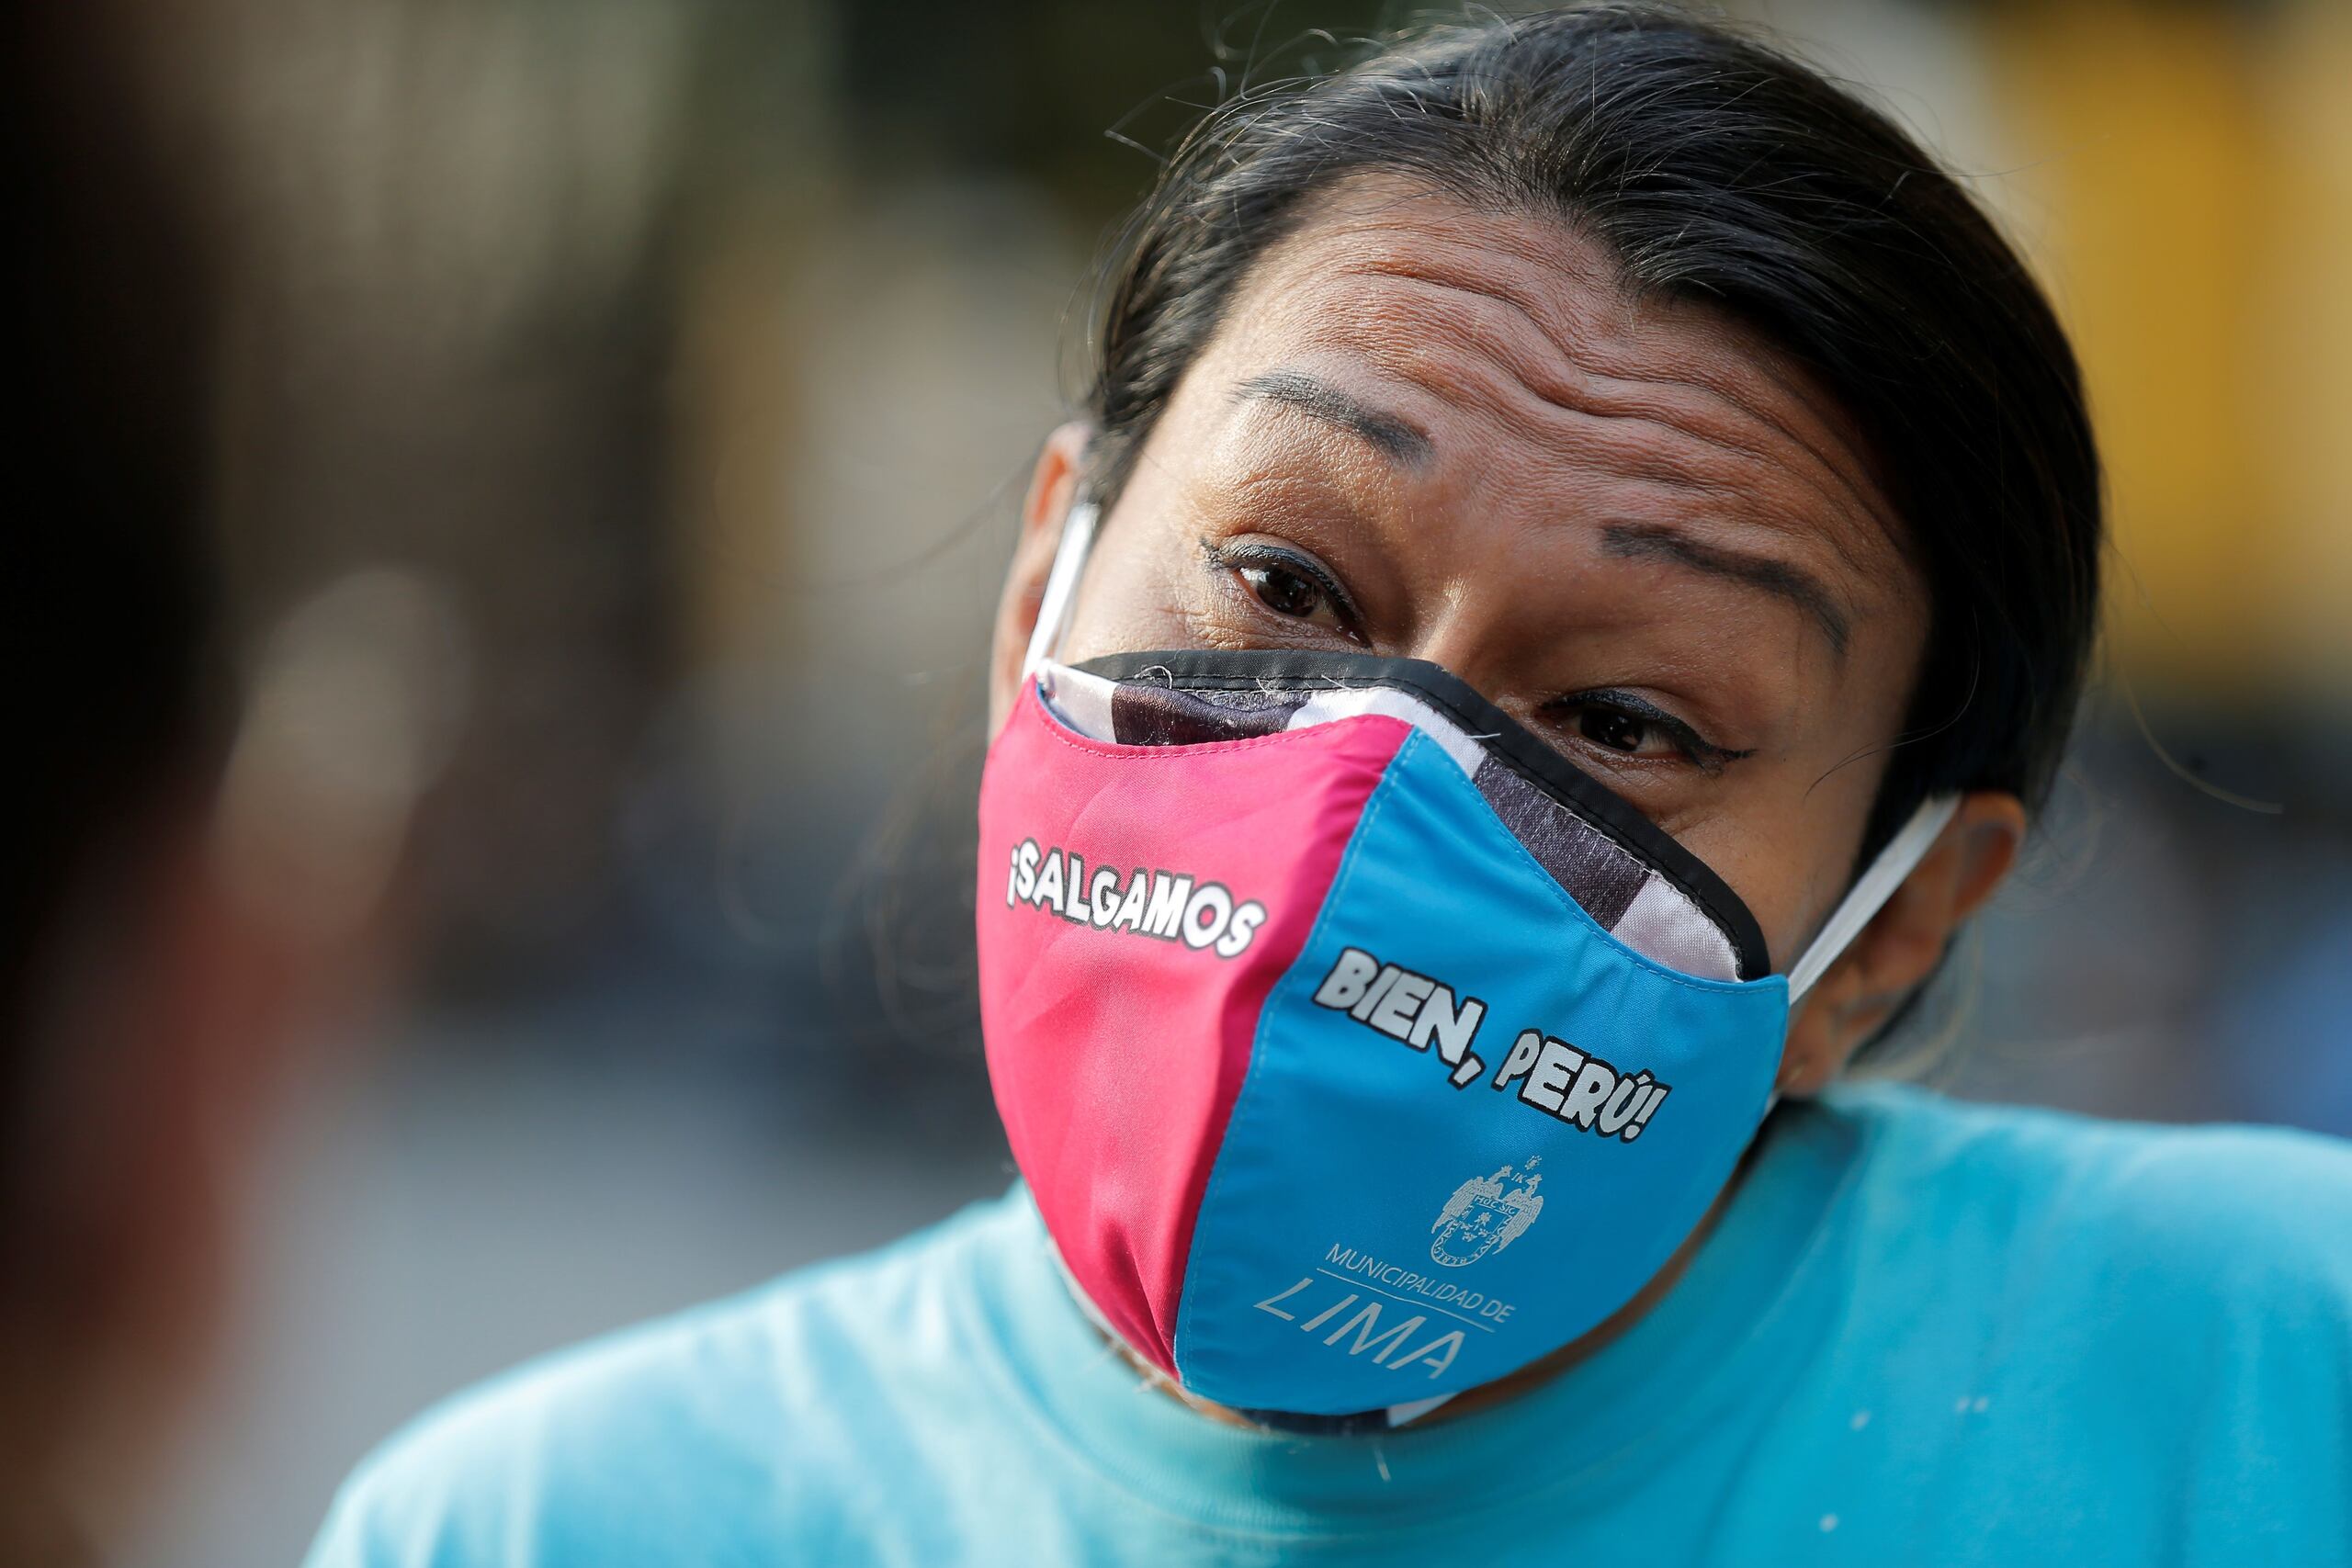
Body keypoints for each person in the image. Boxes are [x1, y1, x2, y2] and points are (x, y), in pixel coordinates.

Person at [306, 7, 2352, 1564]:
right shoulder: (540, 1528)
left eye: (1628, 721)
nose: (1362, 797)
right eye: (1280, 581)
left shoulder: (2273, 1398)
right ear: (1046, 570)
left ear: (1887, 930)